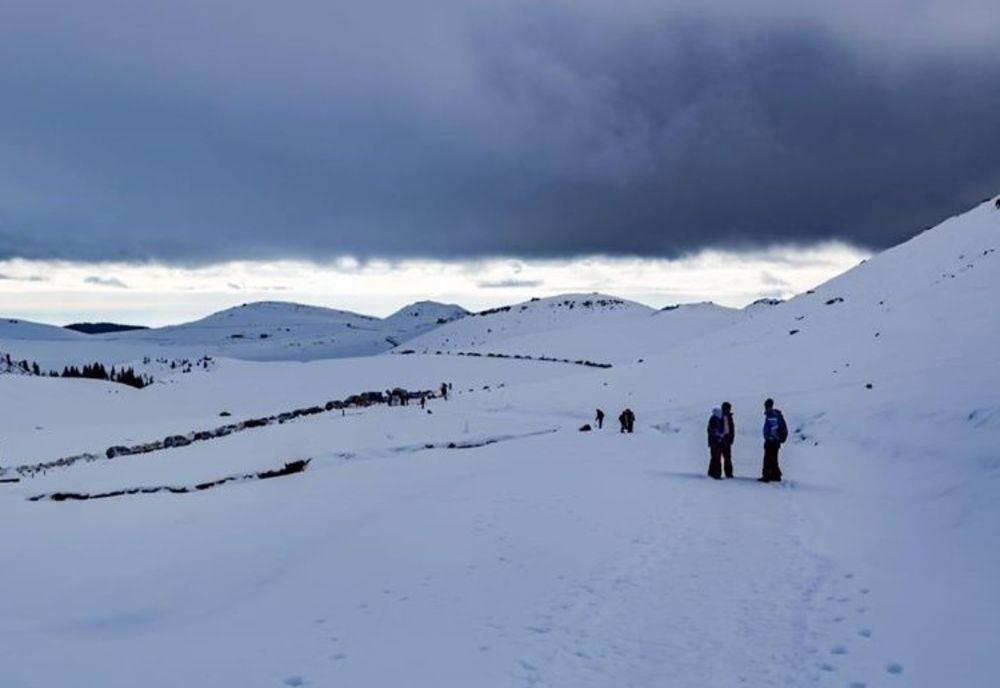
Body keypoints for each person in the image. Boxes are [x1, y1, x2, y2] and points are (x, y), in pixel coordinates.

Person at [760, 398, 788, 483]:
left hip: (772, 441)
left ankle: (768, 476)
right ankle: (775, 475)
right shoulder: (775, 414)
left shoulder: (772, 415)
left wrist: (769, 438)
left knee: (768, 459)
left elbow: (772, 429)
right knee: (773, 458)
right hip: (775, 441)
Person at [707, 407, 725, 479]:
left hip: (715, 442)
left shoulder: (716, 420)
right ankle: (716, 473)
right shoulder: (714, 420)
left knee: (715, 457)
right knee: (716, 458)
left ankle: (713, 472)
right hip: (715, 442)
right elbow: (713, 431)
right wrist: (720, 435)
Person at [721, 401, 735, 478]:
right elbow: (728, 430)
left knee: (727, 457)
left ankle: (728, 473)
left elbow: (730, 430)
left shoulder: (727, 417)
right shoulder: (726, 417)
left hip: (726, 441)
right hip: (724, 440)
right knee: (727, 457)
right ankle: (727, 473)